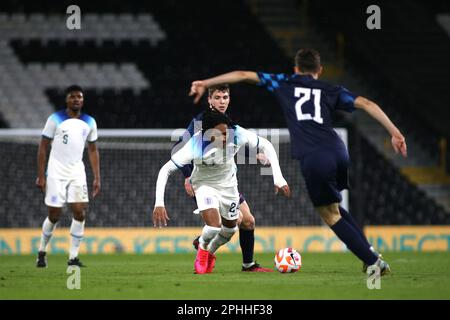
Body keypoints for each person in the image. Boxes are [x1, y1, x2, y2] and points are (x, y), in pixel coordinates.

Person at [189, 48, 408, 275]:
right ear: (319, 70)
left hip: (315, 156)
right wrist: (395, 133)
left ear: (295, 69)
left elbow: (243, 74)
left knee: (330, 215)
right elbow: (368, 104)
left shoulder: (286, 83)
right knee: (336, 208)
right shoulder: (330, 89)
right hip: (339, 151)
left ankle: (373, 262)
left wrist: (206, 82)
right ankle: (369, 253)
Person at [153, 109, 290, 274]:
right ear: (207, 132)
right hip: (204, 185)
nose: (225, 137)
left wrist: (278, 178)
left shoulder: (237, 133)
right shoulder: (195, 145)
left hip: (229, 187)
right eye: (220, 134)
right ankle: (202, 250)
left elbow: (267, 145)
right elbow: (165, 170)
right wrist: (159, 203)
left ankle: (208, 252)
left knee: (231, 229)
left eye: (226, 133)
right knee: (213, 227)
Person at [173, 84, 274, 272]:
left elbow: (228, 146)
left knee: (248, 221)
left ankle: (248, 264)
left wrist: (255, 155)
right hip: (205, 181)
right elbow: (179, 148)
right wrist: (187, 176)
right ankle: (203, 247)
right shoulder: (200, 121)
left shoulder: (225, 121)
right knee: (234, 221)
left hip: (227, 181)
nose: (222, 101)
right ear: (209, 99)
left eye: (225, 97)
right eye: (217, 98)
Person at [35, 85, 100, 268]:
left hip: (77, 173)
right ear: (67, 100)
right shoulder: (54, 119)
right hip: (56, 172)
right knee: (54, 215)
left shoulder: (90, 122)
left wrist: (97, 177)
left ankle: (73, 258)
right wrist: (41, 176)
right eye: (72, 97)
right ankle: (42, 252)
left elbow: (93, 150)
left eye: (79, 97)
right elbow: (42, 147)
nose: (76, 100)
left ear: (83, 100)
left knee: (79, 212)